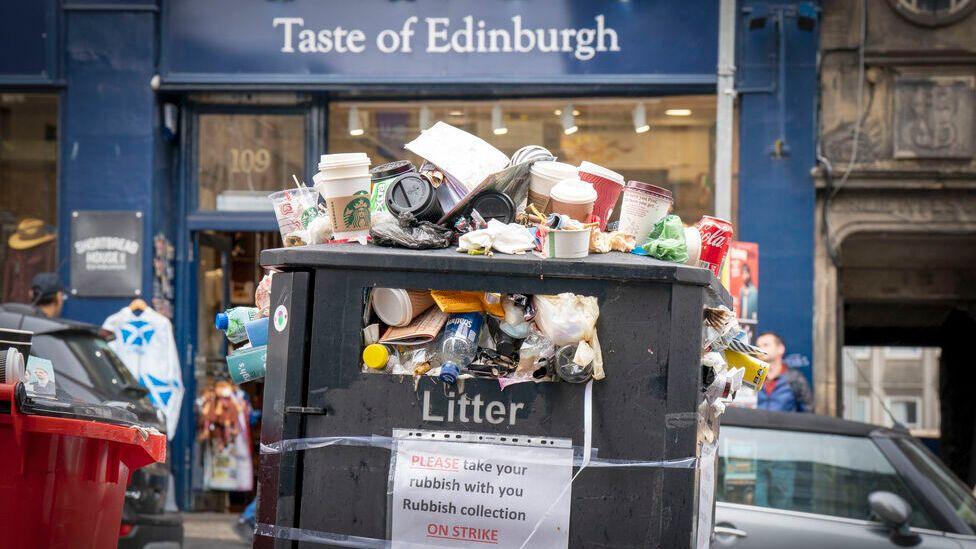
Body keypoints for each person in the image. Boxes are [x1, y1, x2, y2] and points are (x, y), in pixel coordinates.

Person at [756, 331, 812, 412]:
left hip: (786, 424)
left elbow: (808, 412)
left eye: (766, 345)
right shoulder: (751, 377)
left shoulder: (795, 379)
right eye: (758, 346)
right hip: (754, 423)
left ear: (780, 349)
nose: (760, 349)